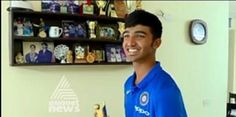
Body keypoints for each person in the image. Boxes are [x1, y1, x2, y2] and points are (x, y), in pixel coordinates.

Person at [122, 10, 187, 117]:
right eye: (126, 35)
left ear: (156, 43)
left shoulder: (164, 90)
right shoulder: (129, 84)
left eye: (139, 36)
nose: (130, 42)